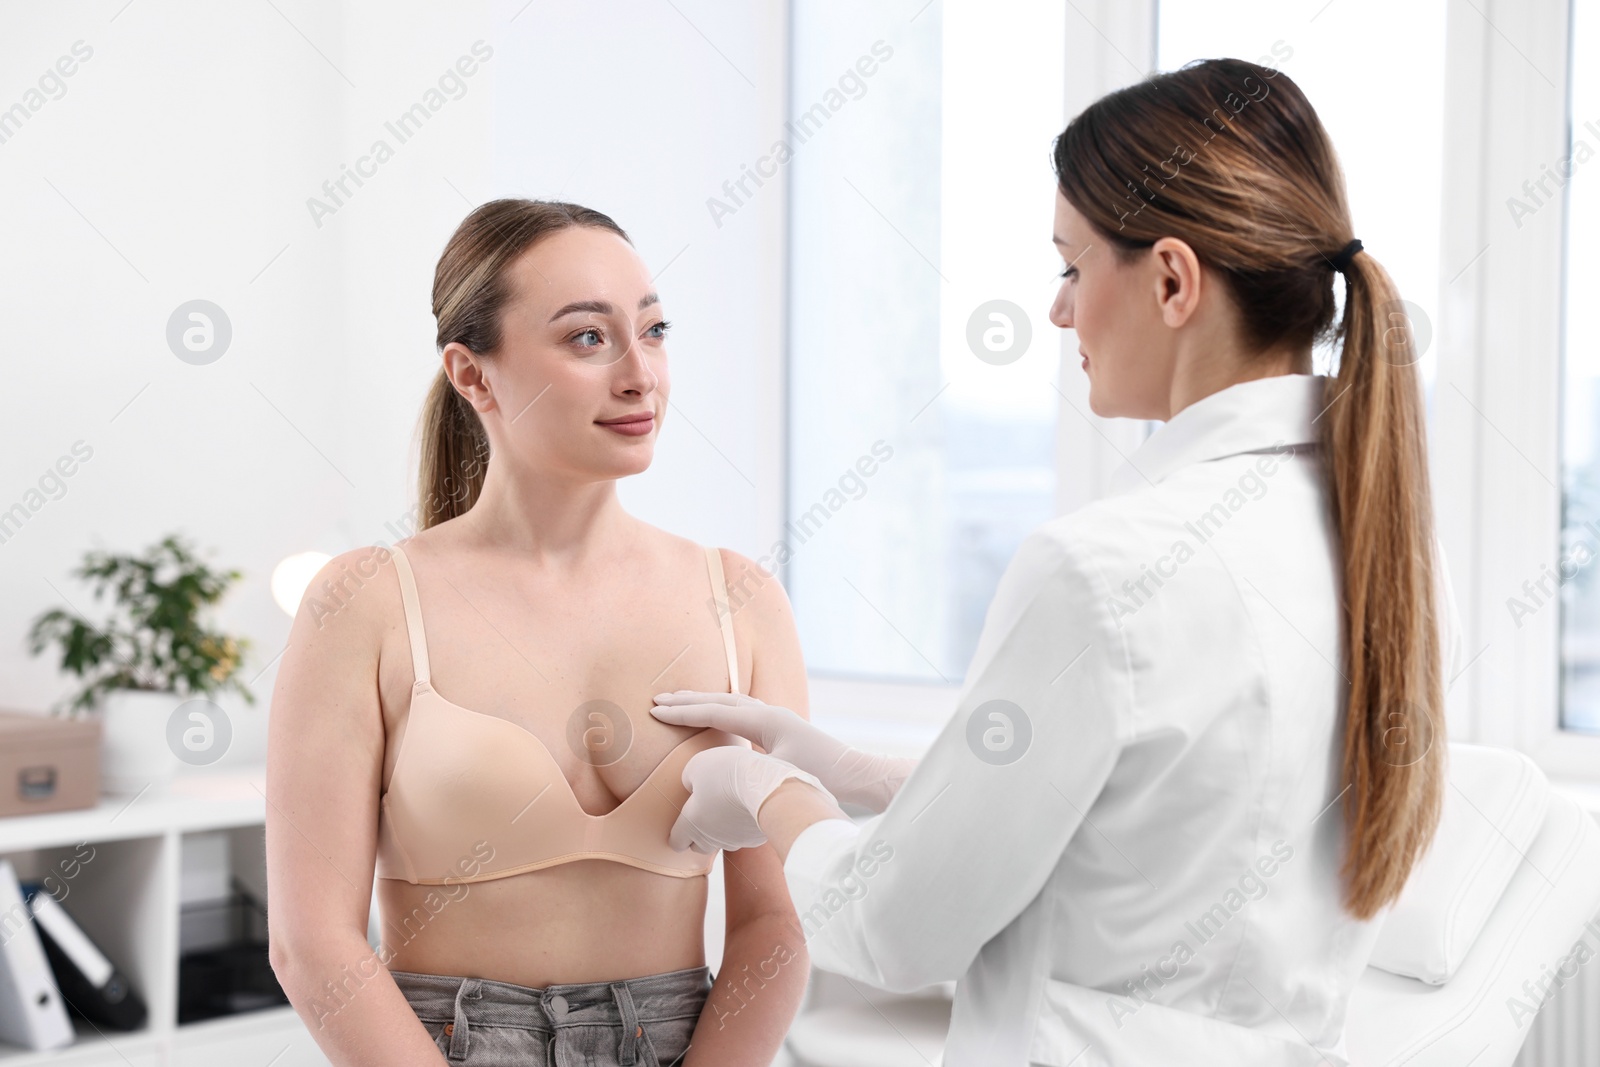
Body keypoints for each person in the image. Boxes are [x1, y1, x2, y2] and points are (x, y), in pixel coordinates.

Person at [650, 58, 1463, 1065]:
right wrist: (853, 770)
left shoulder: (1105, 570)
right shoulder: (1390, 564)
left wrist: (761, 790)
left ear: (1171, 279)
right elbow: (1157, 821)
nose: (1058, 311)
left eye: (1072, 266)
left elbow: (894, 931)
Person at [264, 199, 829, 1066]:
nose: (641, 374)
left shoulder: (742, 599)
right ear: (473, 375)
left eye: (655, 329)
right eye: (588, 339)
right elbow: (312, 944)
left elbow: (773, 923)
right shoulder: (368, 602)